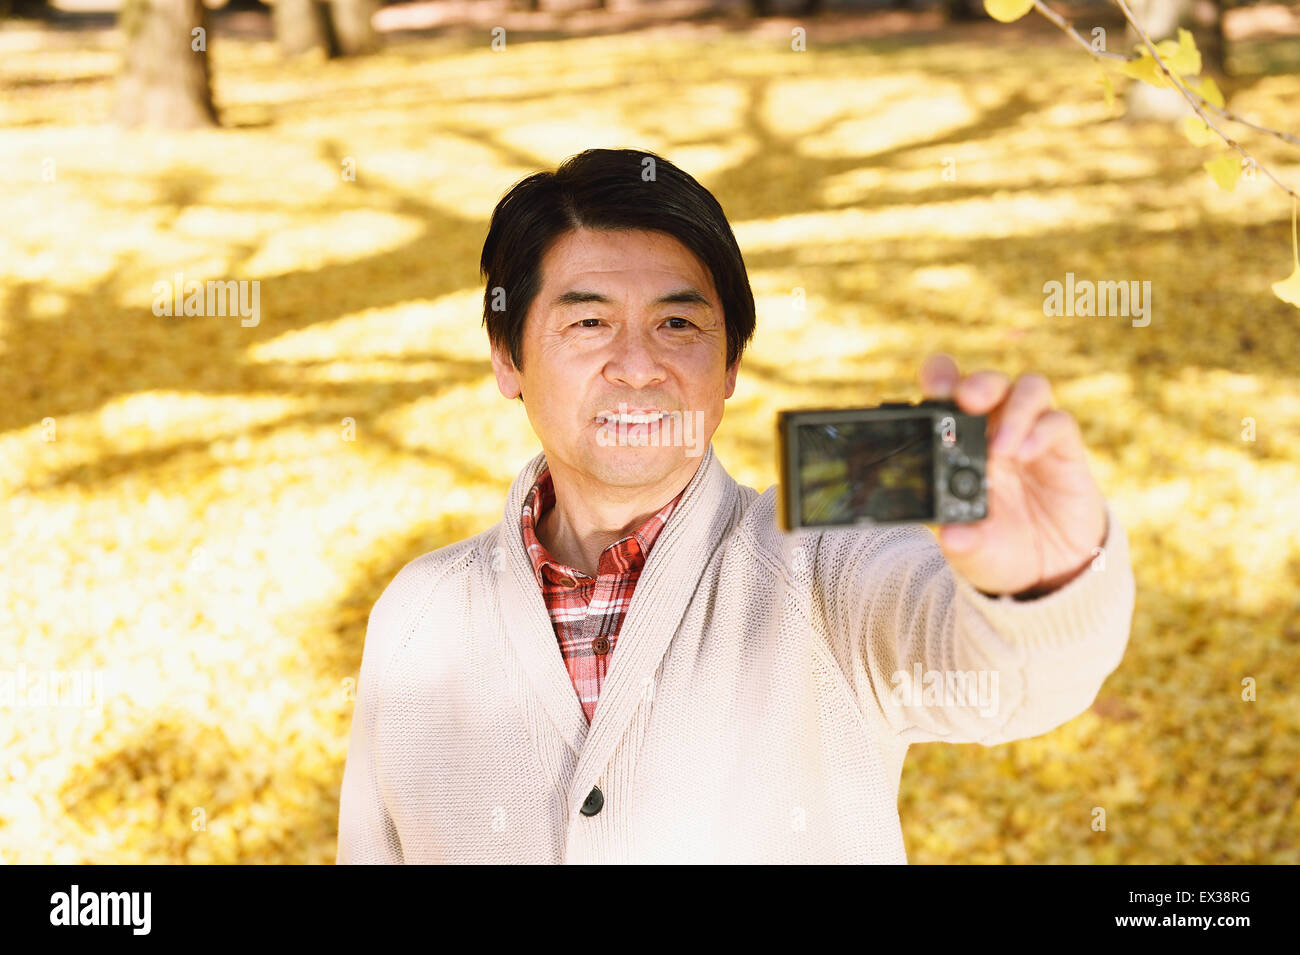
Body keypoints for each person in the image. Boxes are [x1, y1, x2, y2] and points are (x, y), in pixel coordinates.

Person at [336, 147, 1135, 864]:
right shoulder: (416, 615)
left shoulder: (826, 567)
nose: (638, 366)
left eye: (678, 323)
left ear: (729, 368)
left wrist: (1041, 584)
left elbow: (1008, 679)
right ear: (506, 356)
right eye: (589, 321)